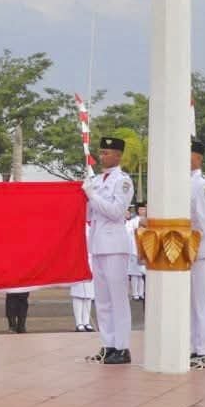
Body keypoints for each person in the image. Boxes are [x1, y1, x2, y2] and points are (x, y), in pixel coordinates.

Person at [82, 137, 136, 365]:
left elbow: (115, 212)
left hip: (114, 246)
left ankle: (122, 348)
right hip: (98, 244)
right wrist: (85, 195)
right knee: (102, 300)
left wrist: (92, 196)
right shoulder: (95, 180)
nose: (102, 156)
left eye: (106, 153)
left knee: (117, 299)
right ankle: (108, 345)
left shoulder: (123, 181)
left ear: (117, 155)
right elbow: (88, 215)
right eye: (101, 152)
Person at [187, 141, 205, 368]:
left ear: (198, 158)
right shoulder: (182, 182)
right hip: (181, 251)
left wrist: (191, 242)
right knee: (187, 303)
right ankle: (192, 348)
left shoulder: (201, 184)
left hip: (198, 250)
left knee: (201, 302)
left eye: (188, 154)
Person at [69, 222, 95, 333]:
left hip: (91, 260)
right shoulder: (76, 225)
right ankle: (78, 322)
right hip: (78, 260)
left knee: (89, 295)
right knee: (78, 293)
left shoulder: (93, 225)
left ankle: (86, 321)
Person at [128, 202, 147, 303]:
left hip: (145, 249)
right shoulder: (132, 222)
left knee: (142, 274)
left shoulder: (148, 221)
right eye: (140, 209)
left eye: (144, 209)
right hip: (135, 249)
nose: (142, 211)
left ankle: (141, 293)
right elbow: (128, 232)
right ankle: (135, 293)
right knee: (135, 274)